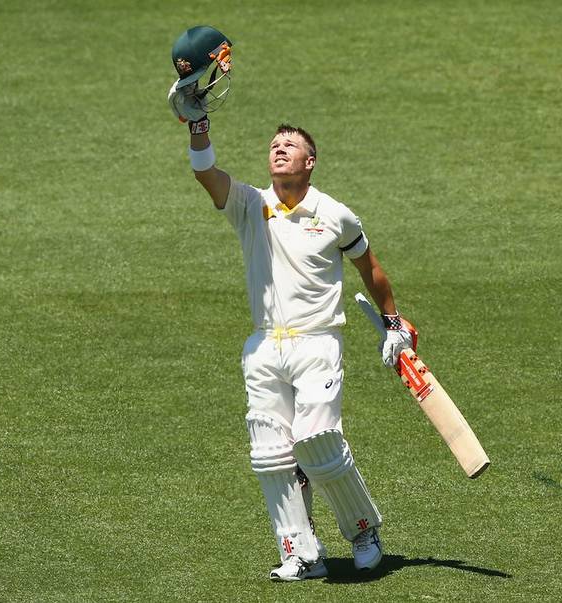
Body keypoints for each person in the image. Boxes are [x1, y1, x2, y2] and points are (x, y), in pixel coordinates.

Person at [168, 76, 413, 583]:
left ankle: (363, 530)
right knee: (270, 454)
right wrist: (197, 125)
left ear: (310, 161)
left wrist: (394, 323)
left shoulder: (335, 215)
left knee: (316, 440)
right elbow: (205, 172)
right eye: (274, 146)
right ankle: (301, 552)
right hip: (262, 346)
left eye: (291, 147)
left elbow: (372, 270)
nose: (280, 150)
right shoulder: (249, 204)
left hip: (317, 340)